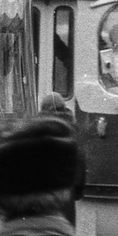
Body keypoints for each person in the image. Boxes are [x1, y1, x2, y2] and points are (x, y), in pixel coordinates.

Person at [38, 92, 84, 227]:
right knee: (64, 231)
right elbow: (80, 162)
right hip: (66, 194)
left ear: (44, 109)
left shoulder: (37, 128)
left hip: (42, 193)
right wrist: (78, 191)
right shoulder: (72, 129)